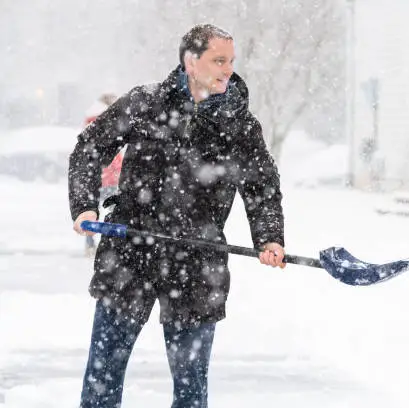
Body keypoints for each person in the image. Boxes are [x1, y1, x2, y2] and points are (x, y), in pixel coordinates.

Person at [69, 24, 286, 408]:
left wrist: (269, 238)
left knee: (191, 388)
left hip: (197, 262)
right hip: (130, 254)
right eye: (219, 60)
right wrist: (85, 205)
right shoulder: (145, 103)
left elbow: (262, 186)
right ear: (190, 61)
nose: (227, 69)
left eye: (231, 61)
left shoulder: (239, 125)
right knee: (102, 377)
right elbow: (89, 147)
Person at [82, 93, 124, 257]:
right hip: (111, 176)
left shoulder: (90, 121)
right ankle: (113, 245)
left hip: (94, 176)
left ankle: (90, 244)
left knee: (91, 212)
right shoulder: (110, 119)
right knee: (114, 212)